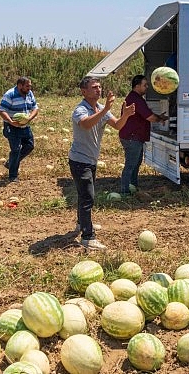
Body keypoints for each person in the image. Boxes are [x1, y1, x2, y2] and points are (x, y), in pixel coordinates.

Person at [69, 76, 136, 250]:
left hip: (91, 160)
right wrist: (106, 107)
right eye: (94, 87)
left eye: (99, 87)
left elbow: (118, 125)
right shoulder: (80, 109)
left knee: (84, 194)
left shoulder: (100, 108)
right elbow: (86, 124)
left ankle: (81, 223)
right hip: (79, 160)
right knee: (87, 197)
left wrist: (126, 115)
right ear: (84, 91)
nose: (98, 90)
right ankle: (87, 237)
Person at [119, 75, 168, 195]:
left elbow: (146, 114)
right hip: (132, 137)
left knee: (135, 163)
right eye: (145, 85)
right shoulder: (136, 100)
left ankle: (132, 187)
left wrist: (158, 116)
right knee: (131, 164)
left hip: (133, 136)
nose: (147, 87)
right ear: (137, 86)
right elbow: (149, 117)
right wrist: (159, 119)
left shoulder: (135, 98)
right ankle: (125, 191)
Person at [0, 76, 39, 182]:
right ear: (19, 85)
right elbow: (2, 110)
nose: (29, 88)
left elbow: (35, 108)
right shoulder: (10, 94)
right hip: (12, 127)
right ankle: (13, 175)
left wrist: (29, 117)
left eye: (30, 86)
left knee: (29, 146)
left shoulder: (29, 93)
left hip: (25, 126)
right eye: (27, 86)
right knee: (16, 150)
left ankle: (10, 163)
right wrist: (11, 122)